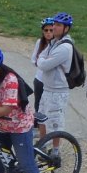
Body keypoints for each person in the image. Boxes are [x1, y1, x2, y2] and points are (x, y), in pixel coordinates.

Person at [34, 11, 75, 154]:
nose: (54, 27)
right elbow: (40, 58)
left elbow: (43, 64)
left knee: (56, 122)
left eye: (58, 25)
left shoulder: (65, 47)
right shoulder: (53, 43)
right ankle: (42, 145)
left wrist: (42, 61)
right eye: (54, 24)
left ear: (66, 28)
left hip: (58, 91)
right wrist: (42, 60)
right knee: (42, 118)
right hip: (47, 88)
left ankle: (56, 150)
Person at [31, 16, 55, 139]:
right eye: (46, 30)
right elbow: (34, 59)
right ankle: (37, 126)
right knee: (38, 103)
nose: (49, 33)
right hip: (40, 79)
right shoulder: (39, 43)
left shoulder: (57, 45)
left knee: (50, 106)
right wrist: (43, 63)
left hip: (51, 81)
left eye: (51, 30)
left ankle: (50, 128)